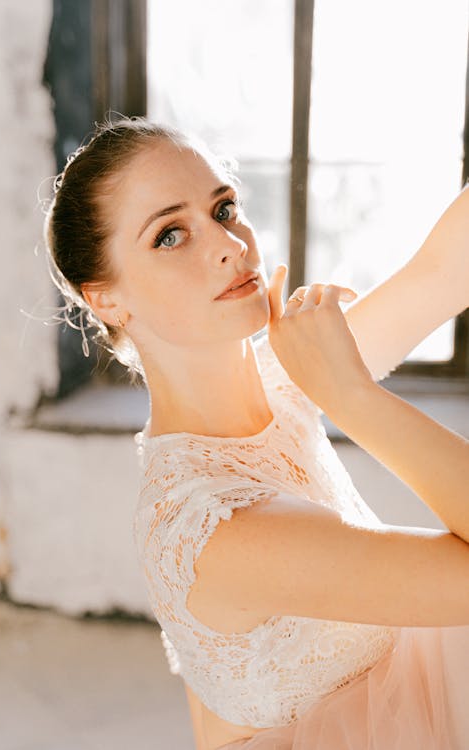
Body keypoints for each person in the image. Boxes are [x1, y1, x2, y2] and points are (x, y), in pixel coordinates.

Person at [44, 115, 469, 750]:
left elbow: (443, 271)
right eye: (169, 235)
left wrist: (330, 378)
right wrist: (351, 395)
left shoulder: (281, 371)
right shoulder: (216, 528)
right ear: (105, 299)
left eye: (224, 207)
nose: (228, 244)